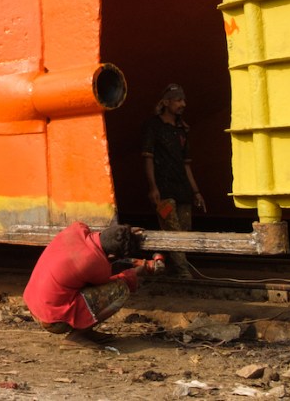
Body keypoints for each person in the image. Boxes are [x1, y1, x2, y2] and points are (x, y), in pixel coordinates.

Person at [22, 221, 163, 346]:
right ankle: (78, 336)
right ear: (112, 256)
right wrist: (135, 272)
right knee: (121, 289)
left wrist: (127, 232)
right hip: (53, 321)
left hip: (34, 305)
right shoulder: (95, 263)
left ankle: (83, 330)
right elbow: (109, 281)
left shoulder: (77, 228)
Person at [142, 83, 205, 277]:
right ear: (167, 102)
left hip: (183, 191)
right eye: (178, 100)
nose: (183, 104)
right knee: (172, 230)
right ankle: (184, 273)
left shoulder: (182, 130)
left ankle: (166, 264)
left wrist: (196, 192)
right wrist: (153, 188)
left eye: (183, 100)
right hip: (163, 191)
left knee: (184, 232)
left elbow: (186, 165)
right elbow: (148, 158)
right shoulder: (153, 127)